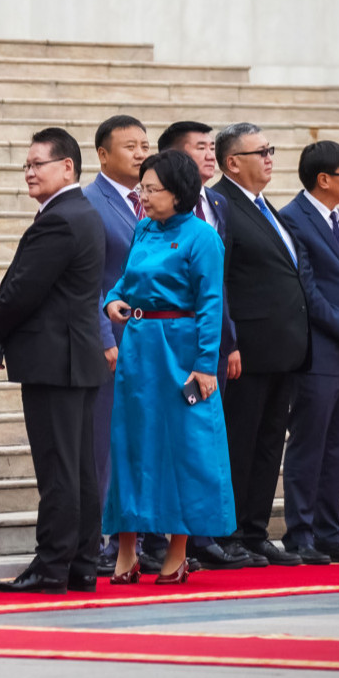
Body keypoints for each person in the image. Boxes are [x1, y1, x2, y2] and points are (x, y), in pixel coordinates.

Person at [0, 129, 108, 594]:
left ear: (68, 167)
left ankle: (52, 565)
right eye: (27, 166)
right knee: (79, 469)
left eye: (39, 164)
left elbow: (22, 290)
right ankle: (81, 564)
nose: (30, 173)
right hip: (75, 356)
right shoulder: (83, 213)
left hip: (56, 359)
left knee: (59, 469)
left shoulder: (61, 218)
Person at [102, 150, 237, 585]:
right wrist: (111, 301)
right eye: (142, 187)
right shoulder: (142, 228)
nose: (143, 196)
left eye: (152, 189)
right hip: (139, 350)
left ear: (179, 193)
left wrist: (205, 364)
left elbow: (211, 304)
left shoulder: (202, 237)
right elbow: (123, 282)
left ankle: (177, 551)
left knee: (183, 447)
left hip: (181, 350)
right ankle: (127, 549)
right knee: (130, 443)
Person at [212, 122, 311, 568]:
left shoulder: (264, 205)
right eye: (261, 151)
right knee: (240, 441)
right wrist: (228, 339)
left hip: (283, 347)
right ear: (232, 162)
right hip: (246, 350)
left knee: (270, 442)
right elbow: (220, 280)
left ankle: (255, 530)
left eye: (271, 150)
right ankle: (228, 533)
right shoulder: (221, 204)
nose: (270, 157)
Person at [277, 142, 339, 564]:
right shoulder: (292, 219)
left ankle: (329, 532)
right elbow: (306, 288)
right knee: (310, 443)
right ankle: (300, 534)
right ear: (324, 179)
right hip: (319, 349)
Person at [160, 120, 249, 571]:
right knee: (175, 442)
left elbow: (219, 286)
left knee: (205, 443)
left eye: (213, 147)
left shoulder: (216, 204)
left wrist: (228, 343)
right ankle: (171, 539)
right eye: (201, 148)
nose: (211, 155)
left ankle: (203, 535)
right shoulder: (154, 214)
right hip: (167, 346)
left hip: (212, 347)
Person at [83, 115, 155, 571]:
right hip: (111, 342)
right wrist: (103, 333)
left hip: (155, 344)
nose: (141, 153)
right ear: (103, 154)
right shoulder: (89, 202)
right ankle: (104, 538)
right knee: (105, 443)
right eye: (130, 146)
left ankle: (139, 538)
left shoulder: (157, 204)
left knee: (144, 442)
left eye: (145, 144)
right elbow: (85, 280)